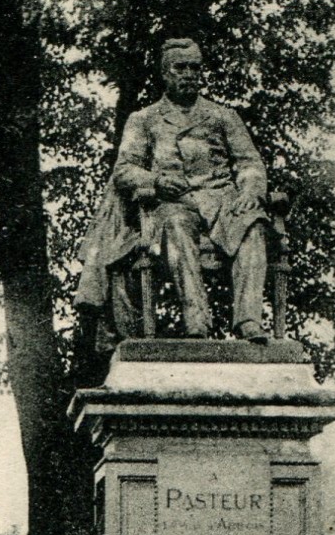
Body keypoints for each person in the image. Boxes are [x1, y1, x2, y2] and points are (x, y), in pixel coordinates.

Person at [76, 38, 278, 343]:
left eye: (194, 68)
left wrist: (251, 191)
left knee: (254, 225)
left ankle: (248, 321)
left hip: (222, 201)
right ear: (164, 73)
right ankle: (197, 323)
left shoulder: (224, 116)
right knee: (175, 225)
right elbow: (124, 169)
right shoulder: (143, 119)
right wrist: (155, 181)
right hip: (174, 202)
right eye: (180, 67)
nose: (188, 74)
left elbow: (250, 163)